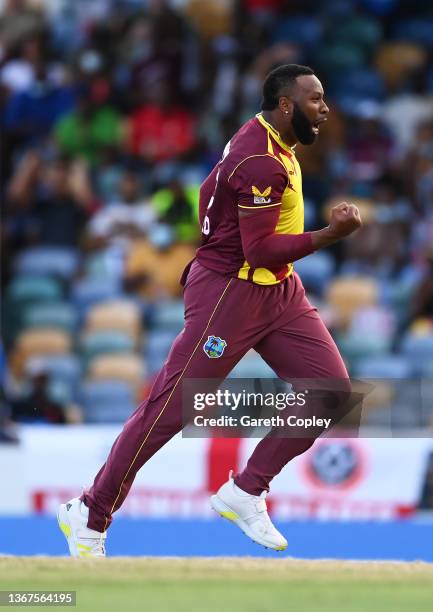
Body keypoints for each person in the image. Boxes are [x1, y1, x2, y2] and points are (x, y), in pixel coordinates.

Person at [57, 64, 362, 557]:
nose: (325, 108)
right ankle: (89, 514)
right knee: (171, 409)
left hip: (277, 291)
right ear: (286, 106)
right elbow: (260, 249)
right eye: (316, 99)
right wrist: (331, 235)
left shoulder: (267, 139)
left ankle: (245, 491)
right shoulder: (261, 160)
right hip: (231, 294)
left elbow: (217, 198)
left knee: (330, 391)